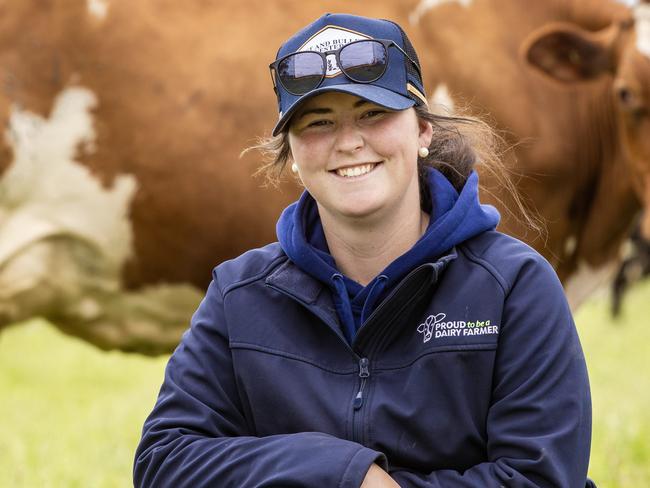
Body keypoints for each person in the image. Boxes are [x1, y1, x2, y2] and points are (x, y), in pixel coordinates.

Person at [134, 13, 592, 487]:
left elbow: (542, 478)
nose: (349, 141)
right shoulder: (238, 294)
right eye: (318, 122)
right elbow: (164, 463)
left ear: (421, 132)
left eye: (373, 113)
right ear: (292, 156)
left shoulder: (514, 285)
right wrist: (342, 474)